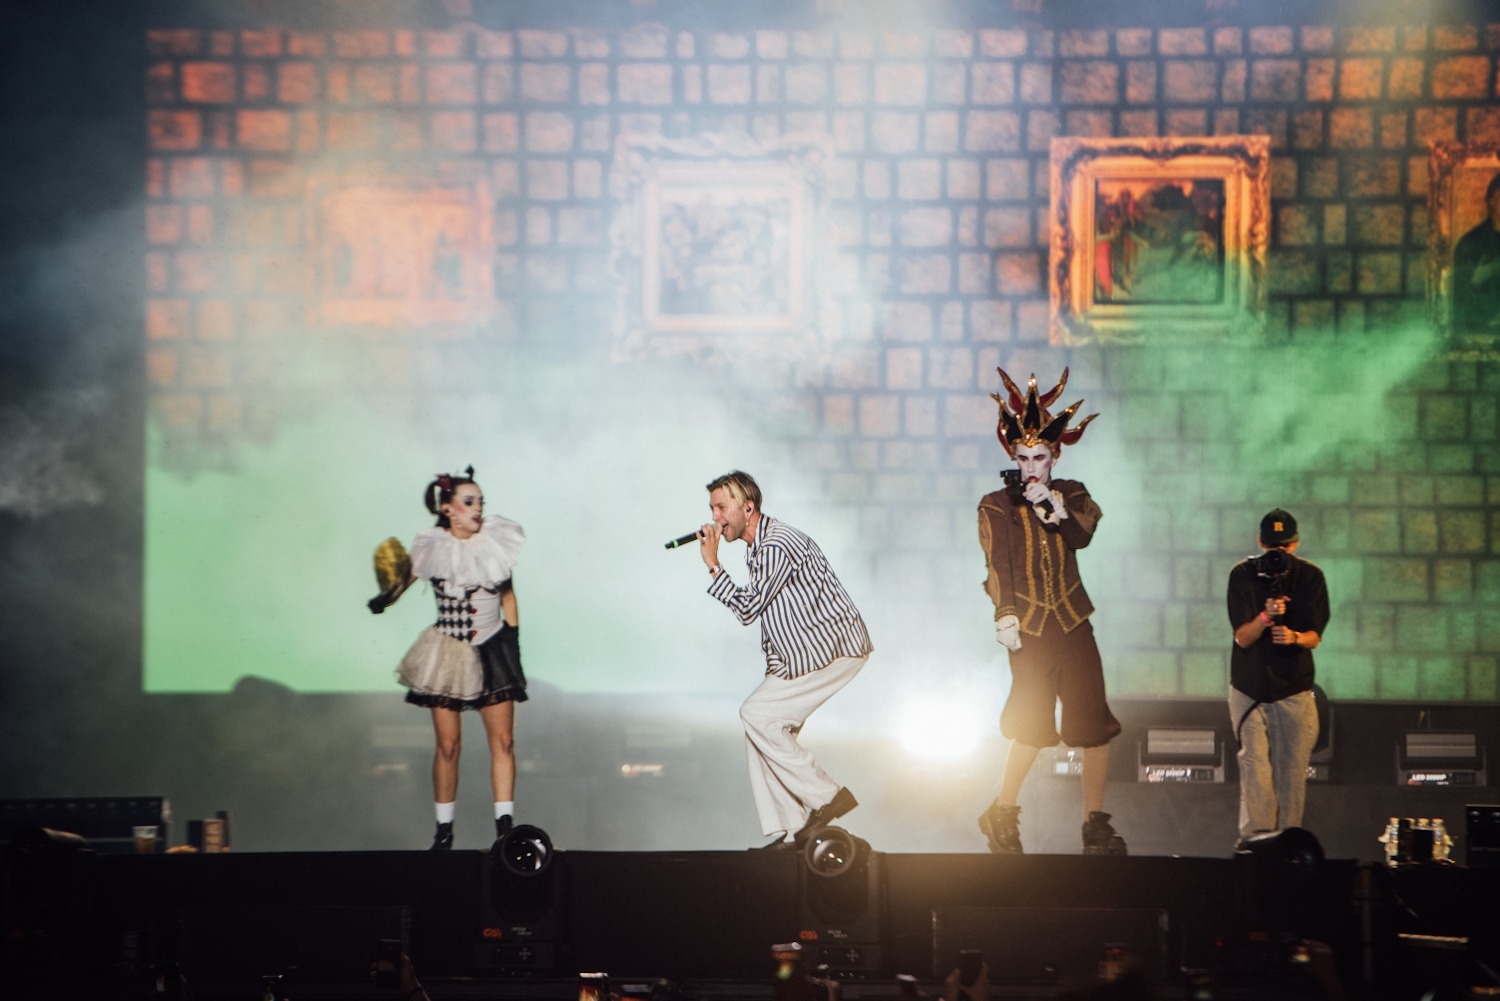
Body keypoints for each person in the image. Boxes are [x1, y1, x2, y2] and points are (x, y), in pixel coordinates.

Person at [976, 367, 1126, 855]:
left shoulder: (1073, 494)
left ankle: (1094, 825)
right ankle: (1002, 811)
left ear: (1054, 456)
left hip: (1072, 621)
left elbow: (1081, 536)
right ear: (1013, 459)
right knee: (1032, 727)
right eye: (1023, 459)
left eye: (1039, 457)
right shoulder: (995, 505)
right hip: (1030, 630)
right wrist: (1005, 614)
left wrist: (1054, 509)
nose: (1031, 468)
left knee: (1092, 726)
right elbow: (998, 564)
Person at [696, 470, 873, 850]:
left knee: (756, 714)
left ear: (748, 508)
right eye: (712, 509)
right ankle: (793, 830)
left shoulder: (776, 545)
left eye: (721, 507)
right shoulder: (758, 546)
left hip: (831, 650)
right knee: (760, 727)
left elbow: (749, 608)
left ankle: (827, 796)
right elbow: (780, 616)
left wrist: (713, 564)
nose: (715, 517)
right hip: (800, 657)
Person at [369, 466, 527, 850]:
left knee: (504, 740)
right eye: (468, 502)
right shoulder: (432, 547)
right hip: (448, 652)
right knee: (448, 746)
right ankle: (443, 832)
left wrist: (512, 640)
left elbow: (508, 596)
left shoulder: (494, 541)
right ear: (448, 510)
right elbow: (404, 581)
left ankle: (504, 829)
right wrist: (384, 598)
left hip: (493, 646)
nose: (478, 509)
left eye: (480, 502)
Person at [1227, 508, 1329, 847]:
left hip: (1293, 688)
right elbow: (1242, 638)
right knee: (1254, 765)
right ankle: (1256, 844)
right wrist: (1265, 617)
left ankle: (1287, 845)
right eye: (1272, 546)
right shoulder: (1242, 576)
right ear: (1260, 542)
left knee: (1292, 773)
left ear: (1295, 544)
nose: (1278, 553)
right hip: (1250, 687)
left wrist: (1294, 637)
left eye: (1283, 547)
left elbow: (1314, 636)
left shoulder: (1310, 578)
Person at [1451, 172, 1500, 332]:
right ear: (1491, 202)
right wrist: (1476, 280)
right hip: (1480, 332)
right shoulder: (1470, 243)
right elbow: (1458, 301)